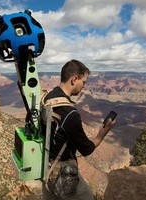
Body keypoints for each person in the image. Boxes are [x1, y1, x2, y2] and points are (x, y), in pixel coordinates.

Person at [42, 59, 116, 200]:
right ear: (74, 79)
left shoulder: (47, 98)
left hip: (46, 168)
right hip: (62, 173)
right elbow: (86, 149)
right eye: (84, 82)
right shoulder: (69, 113)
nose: (84, 87)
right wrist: (105, 131)